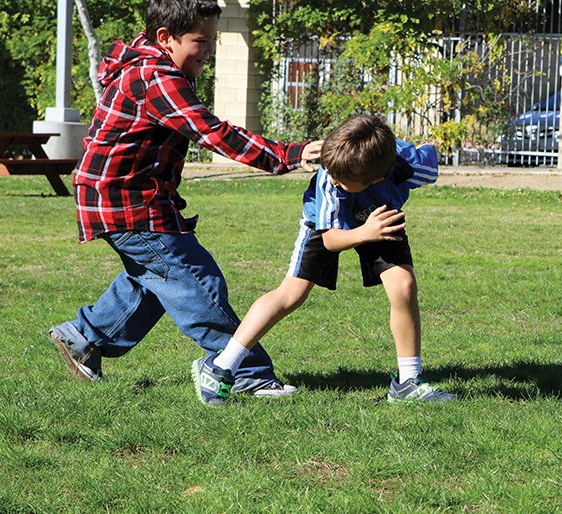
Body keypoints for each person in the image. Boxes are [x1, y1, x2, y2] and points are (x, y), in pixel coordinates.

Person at [48, 0, 322, 398]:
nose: (209, 51)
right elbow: (211, 132)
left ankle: (85, 338)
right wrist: (288, 154)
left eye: (213, 40)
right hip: (127, 201)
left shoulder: (154, 64)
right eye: (201, 41)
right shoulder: (155, 76)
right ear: (165, 37)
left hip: (127, 196)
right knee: (195, 279)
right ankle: (244, 373)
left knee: (156, 277)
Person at [192, 114, 455, 405]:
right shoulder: (330, 176)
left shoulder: (409, 165)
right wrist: (364, 232)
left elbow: (430, 161)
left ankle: (408, 382)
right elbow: (331, 239)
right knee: (292, 294)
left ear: (376, 178)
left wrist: (432, 147)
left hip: (380, 216)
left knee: (403, 286)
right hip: (325, 222)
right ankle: (220, 368)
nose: (331, 179)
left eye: (341, 181)